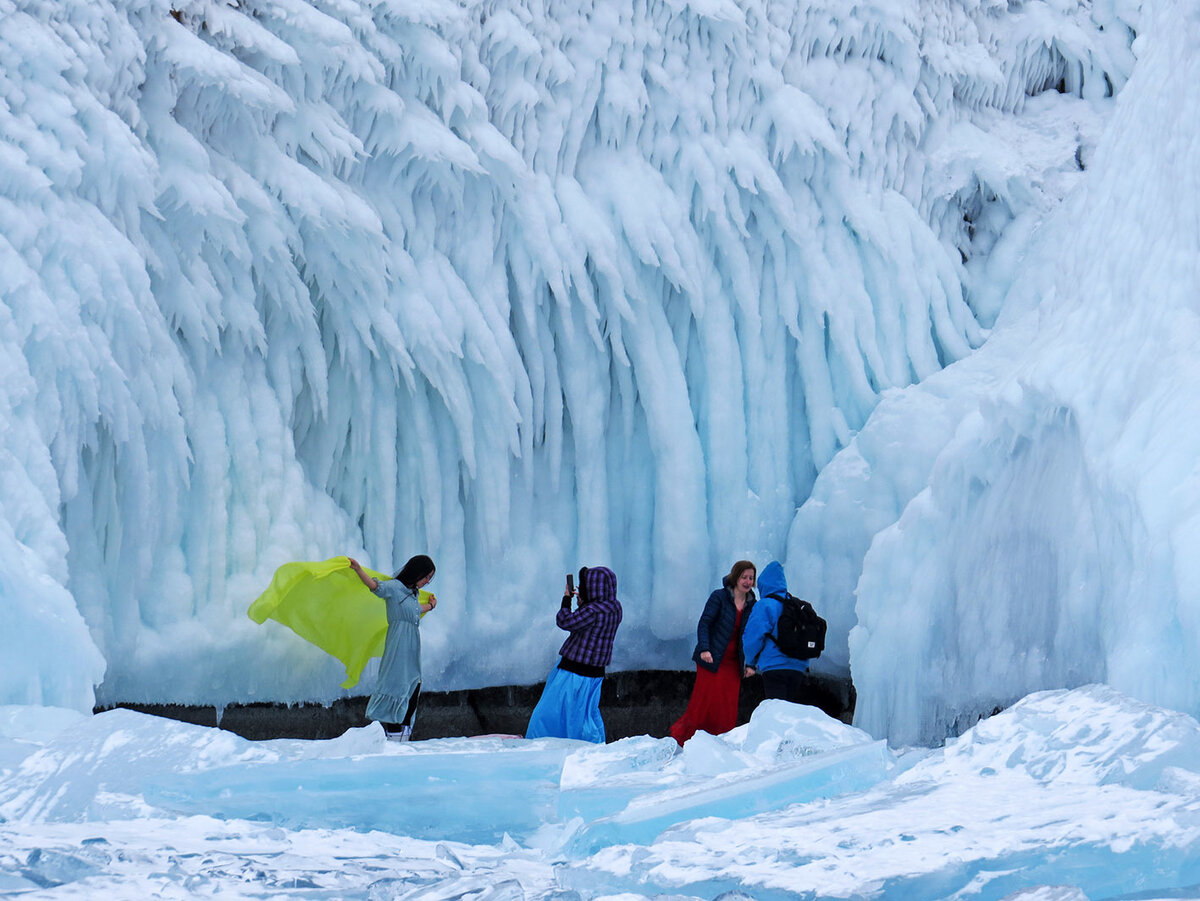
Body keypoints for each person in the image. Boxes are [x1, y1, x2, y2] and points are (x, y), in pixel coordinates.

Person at [525, 566, 623, 743]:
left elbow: (564, 621)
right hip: (595, 674)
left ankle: (539, 745)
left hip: (573, 672)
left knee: (548, 713)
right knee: (584, 716)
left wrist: (566, 599)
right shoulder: (615, 608)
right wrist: (584, 603)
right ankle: (591, 748)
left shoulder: (592, 611)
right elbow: (593, 626)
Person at [348, 554, 437, 741]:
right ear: (417, 572)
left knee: (413, 685)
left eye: (430, 578)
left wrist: (429, 606)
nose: (428, 581)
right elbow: (375, 587)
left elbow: (414, 610)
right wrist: (358, 570)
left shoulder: (413, 594)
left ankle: (402, 734)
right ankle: (394, 734)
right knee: (398, 685)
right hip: (398, 645)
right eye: (427, 576)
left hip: (411, 646)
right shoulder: (395, 588)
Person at [669, 560, 758, 745]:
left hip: (734, 663)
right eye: (744, 577)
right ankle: (686, 739)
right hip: (711, 659)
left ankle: (720, 744)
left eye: (751, 578)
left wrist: (750, 663)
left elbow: (752, 635)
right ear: (736, 577)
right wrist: (705, 648)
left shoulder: (752, 604)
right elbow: (705, 623)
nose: (748, 581)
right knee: (703, 704)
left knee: (727, 706)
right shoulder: (719, 597)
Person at [741, 559, 808, 704]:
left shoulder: (765, 605)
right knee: (790, 711)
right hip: (798, 667)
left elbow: (752, 637)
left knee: (776, 712)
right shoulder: (794, 604)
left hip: (774, 667)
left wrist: (750, 662)